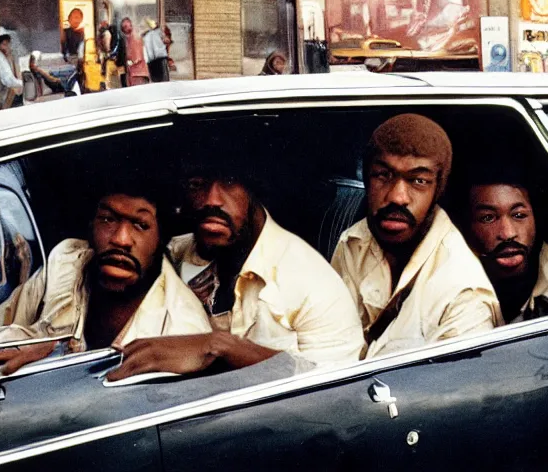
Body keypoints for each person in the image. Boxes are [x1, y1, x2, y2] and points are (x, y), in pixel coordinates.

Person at [105, 159, 364, 382]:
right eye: (198, 184)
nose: (211, 200)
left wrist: (222, 347)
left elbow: (336, 391)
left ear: (256, 189)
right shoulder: (176, 254)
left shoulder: (314, 286)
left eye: (230, 182)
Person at [0, 182, 212, 375]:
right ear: (90, 226)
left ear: (161, 240)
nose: (121, 239)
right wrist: (36, 346)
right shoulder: (67, 261)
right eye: (108, 219)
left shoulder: (182, 327)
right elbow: (6, 325)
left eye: (140, 225)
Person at [331, 114, 499, 359]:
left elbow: (455, 391)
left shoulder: (464, 291)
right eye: (383, 175)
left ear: (437, 190)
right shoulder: (353, 242)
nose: (398, 197)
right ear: (367, 179)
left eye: (418, 181)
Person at [462, 169, 548, 324]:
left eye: (519, 215)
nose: (507, 234)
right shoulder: (453, 295)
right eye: (488, 218)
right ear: (467, 229)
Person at [0, 34, 24, 109]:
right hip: (0, 87)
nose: (7, 47)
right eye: (4, 44)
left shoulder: (12, 54)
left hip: (13, 85)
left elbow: (17, 72)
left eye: (8, 44)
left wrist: (10, 58)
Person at [120, 18, 150, 87]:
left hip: (137, 73)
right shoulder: (130, 39)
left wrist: (129, 63)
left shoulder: (133, 39)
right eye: (125, 27)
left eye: (127, 26)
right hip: (138, 73)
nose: (127, 28)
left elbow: (137, 57)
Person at [142, 18, 171, 83]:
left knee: (156, 82)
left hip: (151, 60)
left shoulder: (145, 36)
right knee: (164, 82)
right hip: (160, 57)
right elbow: (166, 40)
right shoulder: (157, 32)